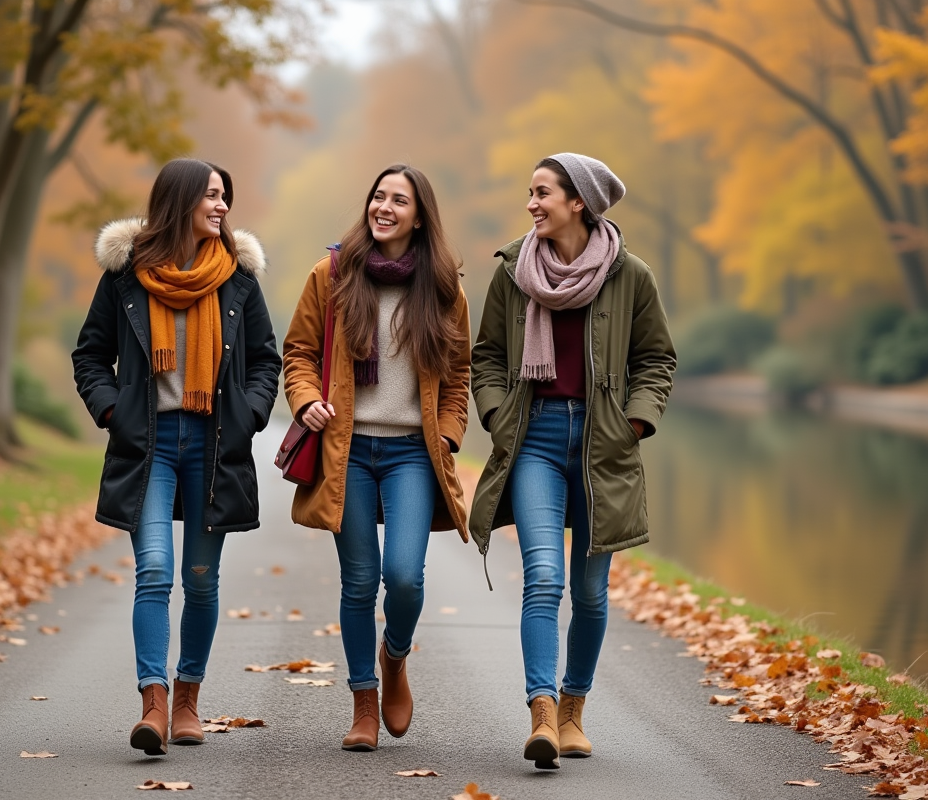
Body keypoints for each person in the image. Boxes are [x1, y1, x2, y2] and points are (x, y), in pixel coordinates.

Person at [469, 153, 676, 770]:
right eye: (530, 193)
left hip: (602, 444)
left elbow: (656, 359)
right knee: (544, 577)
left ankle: (573, 711)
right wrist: (497, 415)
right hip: (533, 437)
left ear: (577, 202)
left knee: (589, 591)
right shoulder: (513, 271)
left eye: (542, 193)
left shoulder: (629, 275)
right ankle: (540, 715)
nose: (532, 204)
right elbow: (486, 356)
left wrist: (634, 421)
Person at [72, 158, 281, 756]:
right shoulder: (126, 277)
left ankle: (189, 698)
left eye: (226, 197)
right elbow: (90, 356)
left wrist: (249, 415)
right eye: (212, 196)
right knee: (156, 572)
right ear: (180, 200)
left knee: (201, 579)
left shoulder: (238, 278)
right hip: (150, 445)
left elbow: (265, 360)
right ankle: (154, 703)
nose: (221, 207)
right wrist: (115, 412)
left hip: (215, 444)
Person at [282, 164, 471, 752]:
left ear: (420, 216)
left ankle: (395, 658)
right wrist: (308, 399)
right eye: (378, 196)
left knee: (405, 578)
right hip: (349, 450)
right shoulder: (332, 275)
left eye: (399, 200)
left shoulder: (442, 287)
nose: (384, 207)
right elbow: (299, 351)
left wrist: (446, 432)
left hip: (413, 453)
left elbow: (460, 370)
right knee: (361, 581)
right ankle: (364, 703)